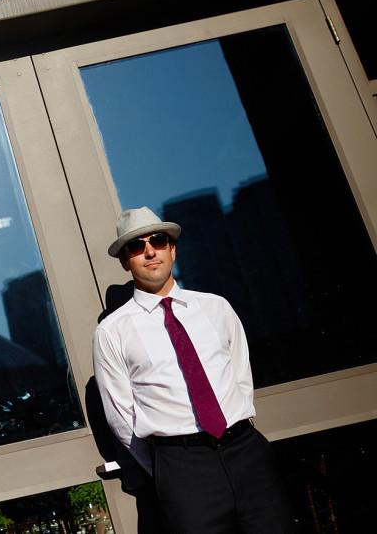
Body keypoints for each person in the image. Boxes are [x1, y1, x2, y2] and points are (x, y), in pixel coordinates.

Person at [91, 207, 295, 533]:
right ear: (125, 261)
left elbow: (240, 380)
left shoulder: (216, 308)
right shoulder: (112, 332)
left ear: (172, 248)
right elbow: (122, 419)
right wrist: (170, 466)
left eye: (158, 240)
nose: (149, 251)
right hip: (183, 470)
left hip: (248, 455)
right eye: (135, 246)